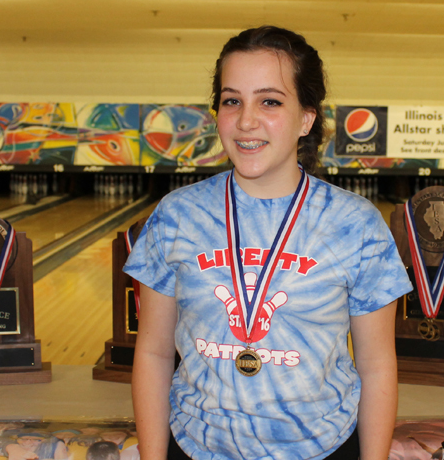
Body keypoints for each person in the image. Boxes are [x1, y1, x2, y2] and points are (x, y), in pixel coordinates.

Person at [124, 25, 412, 460]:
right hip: (196, 447)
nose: (245, 121)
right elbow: (153, 353)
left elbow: (376, 366)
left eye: (270, 101)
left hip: (323, 447)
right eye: (232, 100)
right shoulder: (176, 215)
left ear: (306, 118)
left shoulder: (357, 226)